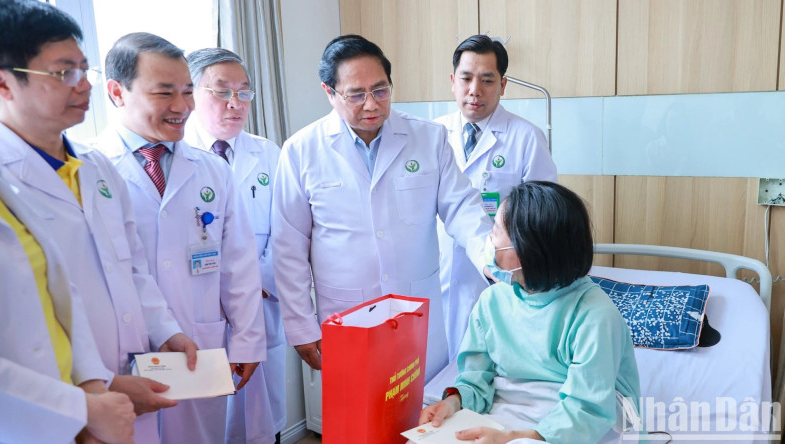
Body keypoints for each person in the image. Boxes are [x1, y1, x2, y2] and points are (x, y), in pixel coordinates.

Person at [0, 2, 196, 442]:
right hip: (51, 406)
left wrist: (167, 331)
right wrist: (96, 388)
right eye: (63, 73)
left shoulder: (97, 167)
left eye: (83, 70)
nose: (83, 85)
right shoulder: (5, 179)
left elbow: (132, 268)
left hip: (128, 376)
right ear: (2, 82)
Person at [272, 34, 492, 382]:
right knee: (357, 424)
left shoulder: (428, 138)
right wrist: (300, 325)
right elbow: (288, 246)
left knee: (422, 421)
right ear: (329, 93)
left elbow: (462, 207)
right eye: (356, 94)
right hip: (348, 316)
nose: (372, 104)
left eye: (381, 90)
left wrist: (489, 257)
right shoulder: (301, 151)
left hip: (416, 312)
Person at [94, 32, 267, 444]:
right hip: (124, 352)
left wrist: (246, 341)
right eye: (164, 92)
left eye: (188, 91)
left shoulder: (211, 170)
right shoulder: (90, 169)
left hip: (200, 344)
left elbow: (239, 265)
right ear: (117, 92)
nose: (182, 106)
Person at [419, 181, 641, 444]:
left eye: (496, 231)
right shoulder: (492, 302)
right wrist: (454, 402)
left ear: (527, 251)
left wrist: (518, 437)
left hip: (579, 423)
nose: (489, 241)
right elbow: (476, 379)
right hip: (507, 414)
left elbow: (589, 408)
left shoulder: (594, 315)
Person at [435, 35, 558, 360]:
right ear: (452, 81)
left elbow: (542, 219)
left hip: (496, 278)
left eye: (487, 80)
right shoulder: (432, 134)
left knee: (485, 367)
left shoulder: (526, 138)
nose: (475, 90)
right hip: (436, 270)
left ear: (502, 85)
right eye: (466, 78)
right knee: (431, 372)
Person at [0, 158, 135, 443]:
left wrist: (92, 388)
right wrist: (84, 408)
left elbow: (59, 292)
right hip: (28, 422)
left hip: (66, 409)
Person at [185, 47, 285, 444]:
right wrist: (226, 289)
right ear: (191, 92)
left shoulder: (269, 153)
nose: (235, 103)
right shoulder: (180, 156)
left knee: (263, 425)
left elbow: (289, 233)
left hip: (261, 304)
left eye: (244, 93)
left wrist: (252, 281)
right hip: (201, 311)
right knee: (210, 425)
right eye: (222, 91)